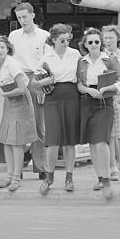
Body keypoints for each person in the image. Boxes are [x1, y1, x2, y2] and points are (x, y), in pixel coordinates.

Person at [33, 23, 81, 194]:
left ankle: (69, 177)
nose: (66, 43)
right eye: (62, 40)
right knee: (52, 140)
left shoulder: (75, 54)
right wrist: (47, 81)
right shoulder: (46, 57)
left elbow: (81, 76)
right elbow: (35, 81)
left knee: (69, 141)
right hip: (53, 96)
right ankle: (49, 177)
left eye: (68, 39)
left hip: (71, 95)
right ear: (53, 40)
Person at [77, 27, 120, 199]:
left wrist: (107, 88)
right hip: (88, 101)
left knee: (101, 141)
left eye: (97, 41)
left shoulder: (109, 59)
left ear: (101, 43)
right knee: (92, 143)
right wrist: (88, 91)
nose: (94, 44)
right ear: (85, 45)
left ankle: (107, 179)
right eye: (91, 42)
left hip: (105, 101)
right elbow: (79, 84)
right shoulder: (82, 62)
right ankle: (100, 177)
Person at [8, 2, 50, 179]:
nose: (22, 21)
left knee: (38, 125)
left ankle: (41, 167)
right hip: (18, 79)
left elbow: (48, 61)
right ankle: (18, 168)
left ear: (33, 15)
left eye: (25, 17)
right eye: (19, 18)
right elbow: (10, 59)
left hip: (36, 78)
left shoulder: (44, 36)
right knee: (18, 125)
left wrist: (40, 85)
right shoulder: (13, 36)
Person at [0, 35, 38, 193]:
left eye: (2, 47)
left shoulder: (12, 64)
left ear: (8, 49)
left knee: (17, 141)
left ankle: (17, 177)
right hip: (9, 103)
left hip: (19, 102)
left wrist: (6, 94)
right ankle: (9, 175)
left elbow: (22, 88)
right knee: (7, 140)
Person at [102, 24, 120, 184]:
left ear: (118, 39)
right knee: (109, 135)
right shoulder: (101, 56)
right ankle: (112, 168)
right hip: (106, 98)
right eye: (105, 38)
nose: (108, 41)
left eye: (111, 38)